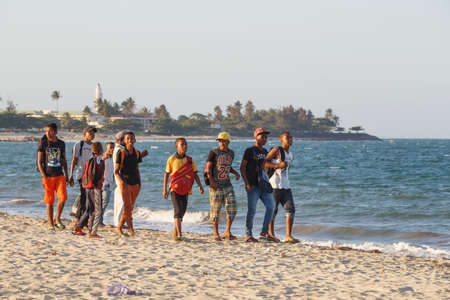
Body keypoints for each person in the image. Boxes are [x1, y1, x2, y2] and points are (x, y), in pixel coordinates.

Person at [163, 138, 204, 241]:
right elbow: (167, 174)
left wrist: (200, 186)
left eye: (186, 144)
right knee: (177, 211)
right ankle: (180, 235)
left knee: (182, 211)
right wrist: (164, 190)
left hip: (186, 190)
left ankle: (175, 233)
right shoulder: (171, 159)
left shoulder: (189, 160)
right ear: (177, 146)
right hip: (174, 190)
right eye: (182, 144)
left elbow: (195, 174)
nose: (185, 146)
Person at [240, 128, 276, 242]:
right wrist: (246, 183)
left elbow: (265, 167)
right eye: (262, 136)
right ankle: (248, 234)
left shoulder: (265, 151)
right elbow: (242, 167)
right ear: (256, 137)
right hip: (252, 185)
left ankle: (264, 232)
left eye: (266, 137)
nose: (264, 138)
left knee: (271, 207)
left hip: (263, 185)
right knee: (252, 210)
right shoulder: (249, 151)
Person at [206, 132, 240, 241]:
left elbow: (227, 166)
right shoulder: (213, 152)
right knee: (215, 209)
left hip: (227, 184)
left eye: (223, 140)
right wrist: (211, 181)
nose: (221, 143)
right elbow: (208, 168)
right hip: (216, 185)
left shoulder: (231, 153)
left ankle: (227, 231)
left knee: (232, 208)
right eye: (219, 141)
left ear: (228, 142)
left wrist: (235, 173)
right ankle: (215, 233)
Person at [266, 132, 299, 243]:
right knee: (273, 211)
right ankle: (271, 234)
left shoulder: (291, 154)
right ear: (281, 140)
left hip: (286, 186)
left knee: (291, 210)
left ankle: (288, 236)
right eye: (287, 138)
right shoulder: (276, 150)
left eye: (291, 137)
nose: (290, 139)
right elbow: (264, 163)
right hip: (274, 186)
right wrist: (277, 165)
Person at [112, 131, 148, 229]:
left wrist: (139, 183)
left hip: (134, 182)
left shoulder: (135, 152)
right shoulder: (120, 151)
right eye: (127, 138)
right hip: (123, 182)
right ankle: (120, 225)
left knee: (129, 206)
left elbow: (135, 167)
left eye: (131, 138)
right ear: (122, 140)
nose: (130, 141)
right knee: (124, 205)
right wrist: (121, 182)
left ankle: (122, 225)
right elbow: (117, 169)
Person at [37, 123, 69, 230]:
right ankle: (50, 223)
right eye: (46, 131)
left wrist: (67, 175)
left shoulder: (61, 144)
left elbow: (64, 161)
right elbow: (39, 162)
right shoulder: (43, 143)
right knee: (50, 201)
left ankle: (57, 219)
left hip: (60, 175)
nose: (47, 133)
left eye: (49, 131)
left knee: (63, 198)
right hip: (48, 176)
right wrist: (44, 176)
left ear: (55, 132)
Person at [72, 142, 105, 238]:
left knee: (89, 209)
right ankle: (92, 232)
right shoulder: (99, 159)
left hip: (87, 186)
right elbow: (100, 160)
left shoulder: (88, 160)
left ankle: (78, 227)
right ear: (100, 150)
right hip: (95, 187)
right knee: (97, 210)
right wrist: (106, 155)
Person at [69, 126, 97, 228]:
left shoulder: (94, 145)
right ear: (84, 134)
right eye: (90, 133)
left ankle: (83, 221)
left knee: (89, 199)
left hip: (92, 176)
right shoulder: (79, 144)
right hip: (82, 174)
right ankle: (77, 219)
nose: (92, 135)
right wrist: (71, 175)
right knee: (83, 197)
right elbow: (74, 160)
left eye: (93, 133)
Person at [99, 142, 114, 227]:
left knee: (104, 202)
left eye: (113, 148)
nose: (112, 149)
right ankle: (99, 221)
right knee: (103, 202)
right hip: (103, 184)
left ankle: (99, 220)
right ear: (106, 148)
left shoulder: (113, 159)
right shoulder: (103, 158)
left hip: (109, 183)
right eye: (110, 148)